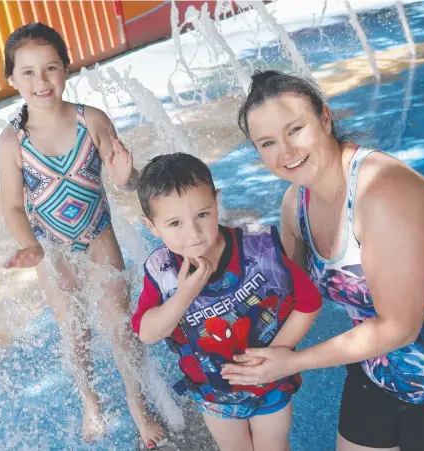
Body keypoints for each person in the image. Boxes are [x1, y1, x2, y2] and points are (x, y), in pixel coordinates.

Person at [221, 70, 424, 451]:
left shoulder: (382, 192)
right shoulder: (297, 202)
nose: (286, 152)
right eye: (267, 143)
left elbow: (399, 327)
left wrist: (291, 362)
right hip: (379, 368)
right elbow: (286, 297)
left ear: (325, 118)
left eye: (295, 130)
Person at [0, 22, 163, 448]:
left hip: (97, 236)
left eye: (50, 68)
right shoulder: (12, 141)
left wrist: (128, 178)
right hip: (50, 248)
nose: (41, 80)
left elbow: (125, 178)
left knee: (120, 328)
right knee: (74, 330)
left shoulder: (91, 119)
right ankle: (91, 401)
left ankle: (137, 406)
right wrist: (29, 244)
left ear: (66, 69)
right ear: (11, 78)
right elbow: (14, 206)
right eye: (28, 72)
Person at [131, 153, 322, 451]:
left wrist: (275, 354)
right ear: (152, 226)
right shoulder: (162, 272)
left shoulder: (257, 248)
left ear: (217, 202)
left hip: (270, 384)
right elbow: (147, 332)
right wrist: (183, 296)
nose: (192, 232)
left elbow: (308, 301)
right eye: (174, 223)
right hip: (215, 395)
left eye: (202, 215)